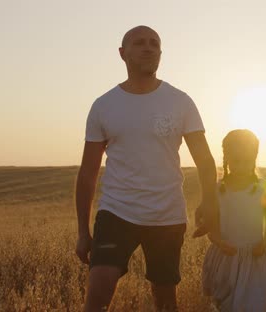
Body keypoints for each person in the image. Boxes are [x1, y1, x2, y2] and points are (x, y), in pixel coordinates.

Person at [74, 25, 219, 312]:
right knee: (97, 296)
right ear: (122, 53)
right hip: (116, 212)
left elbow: (205, 160)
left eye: (155, 44)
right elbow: (88, 172)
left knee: (165, 301)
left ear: (161, 54)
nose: (148, 47)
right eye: (139, 43)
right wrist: (82, 230)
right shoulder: (104, 106)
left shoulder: (181, 101)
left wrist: (210, 202)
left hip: (166, 215)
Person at [202, 129, 266, 312]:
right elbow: (212, 227)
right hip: (225, 258)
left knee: (255, 305)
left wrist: (264, 242)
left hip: (254, 259)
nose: (242, 166)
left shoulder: (263, 189)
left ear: (254, 159)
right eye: (237, 161)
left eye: (248, 161)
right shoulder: (218, 189)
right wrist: (219, 242)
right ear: (227, 158)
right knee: (224, 306)